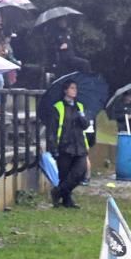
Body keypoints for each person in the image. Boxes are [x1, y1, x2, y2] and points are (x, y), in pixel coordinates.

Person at [47, 79, 89, 209]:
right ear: (65, 90)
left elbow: (85, 125)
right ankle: (67, 200)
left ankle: (57, 192)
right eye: (72, 88)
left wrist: (81, 116)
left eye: (75, 88)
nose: (74, 90)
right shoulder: (58, 107)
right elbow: (53, 129)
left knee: (80, 172)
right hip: (64, 145)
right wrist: (53, 147)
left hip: (79, 145)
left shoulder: (79, 106)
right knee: (64, 175)